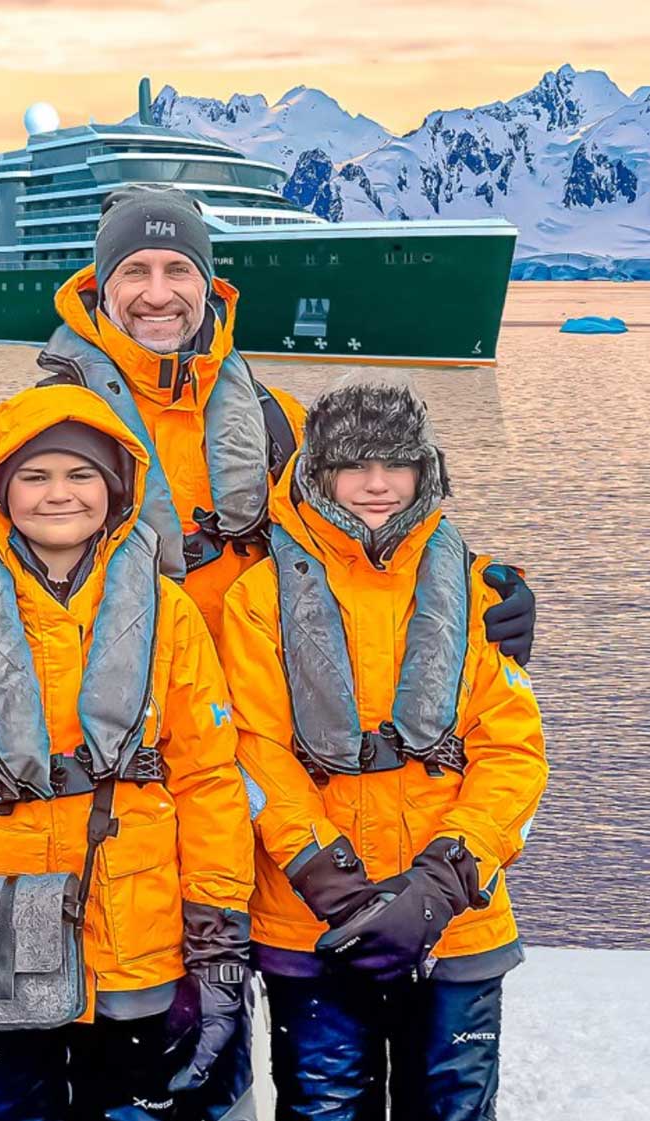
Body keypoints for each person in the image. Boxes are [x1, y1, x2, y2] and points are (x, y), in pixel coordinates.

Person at [36, 182, 540, 1115]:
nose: (157, 292)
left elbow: (374, 540)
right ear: (98, 287)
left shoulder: (273, 420)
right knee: (108, 1040)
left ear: (211, 286)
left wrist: (496, 588)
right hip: (115, 780)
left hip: (236, 784)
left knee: (212, 1045)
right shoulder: (46, 425)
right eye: (135, 271)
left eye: (178, 268)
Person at [0, 384, 254, 1121]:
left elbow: (209, 781)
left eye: (80, 475)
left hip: (146, 936)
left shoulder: (170, 613)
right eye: (34, 477)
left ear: (115, 489)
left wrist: (219, 935)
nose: (58, 495)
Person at [219, 375, 547, 1121]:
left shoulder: (480, 592)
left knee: (453, 1108)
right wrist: (333, 883)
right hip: (314, 923)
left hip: (458, 919)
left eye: (396, 463)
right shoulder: (258, 597)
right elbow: (253, 752)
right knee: (324, 1109)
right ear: (318, 473)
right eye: (353, 465)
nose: (376, 484)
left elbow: (514, 753)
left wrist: (441, 883)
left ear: (424, 470)